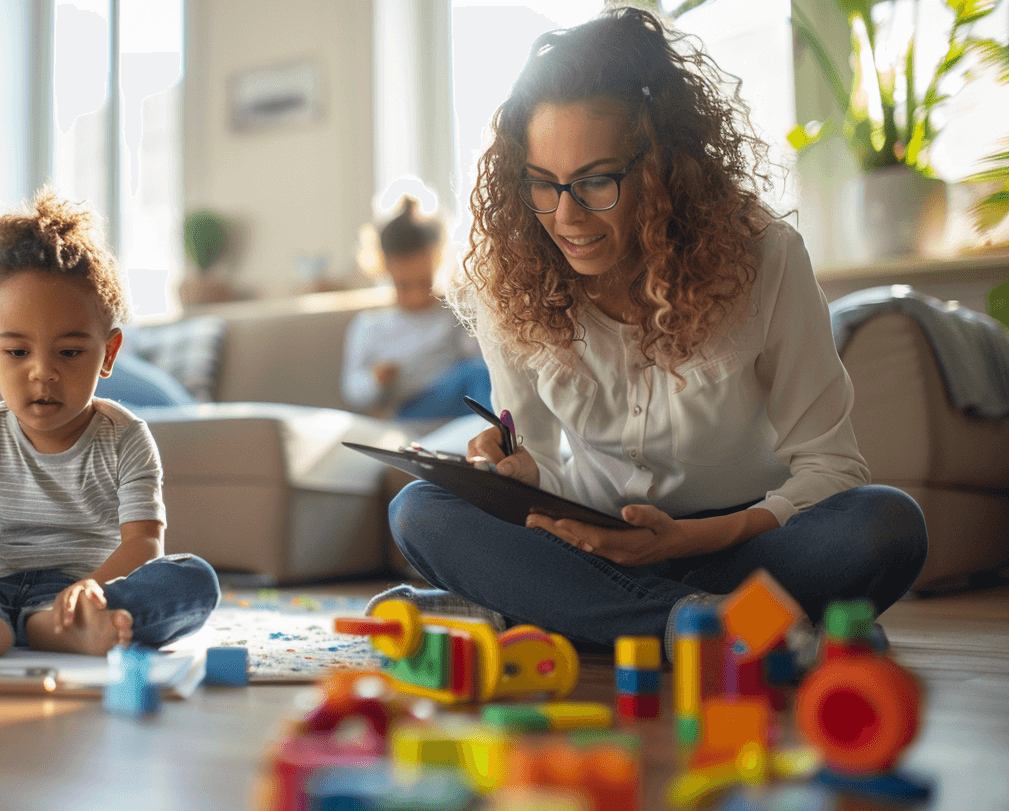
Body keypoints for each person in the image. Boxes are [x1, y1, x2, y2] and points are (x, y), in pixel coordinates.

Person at [373, 8, 927, 657]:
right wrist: (514, 475)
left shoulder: (765, 258)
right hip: (588, 543)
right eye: (543, 184)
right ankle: (707, 626)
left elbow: (833, 466)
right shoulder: (514, 282)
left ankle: (564, 614)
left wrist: (692, 540)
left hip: (738, 545)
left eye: (596, 181)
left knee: (885, 525)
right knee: (420, 512)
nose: (566, 216)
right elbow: (545, 462)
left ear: (667, 166)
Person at [0, 189, 220, 657]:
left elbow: (143, 543)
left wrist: (88, 592)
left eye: (70, 352)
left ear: (109, 353)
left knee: (194, 579)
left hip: (82, 594)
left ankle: (52, 625)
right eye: (17, 352)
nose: (42, 372)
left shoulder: (127, 437)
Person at [341, 195, 490, 421]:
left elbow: (481, 361)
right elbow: (352, 389)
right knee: (476, 376)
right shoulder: (370, 326)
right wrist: (375, 380)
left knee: (478, 374)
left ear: (437, 260)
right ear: (384, 267)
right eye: (404, 286)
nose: (417, 296)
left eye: (424, 283)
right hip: (407, 410)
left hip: (457, 403)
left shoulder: (451, 315)